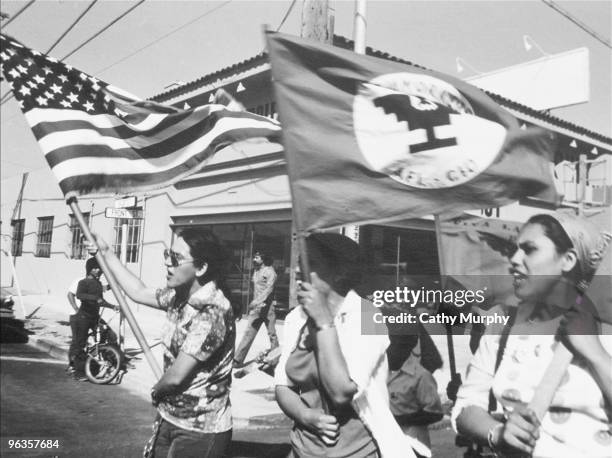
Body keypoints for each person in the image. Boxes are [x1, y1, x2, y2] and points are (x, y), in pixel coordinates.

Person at [452, 211, 612, 457]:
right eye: (516, 249)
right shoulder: (503, 321)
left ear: (568, 260)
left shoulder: (604, 326)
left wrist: (596, 354)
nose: (514, 259)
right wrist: (497, 433)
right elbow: (466, 406)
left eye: (530, 249)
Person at [275, 233, 429, 458]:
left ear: (339, 273)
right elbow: (282, 385)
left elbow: (341, 392)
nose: (298, 270)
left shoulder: (366, 316)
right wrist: (305, 415)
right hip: (302, 450)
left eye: (311, 264)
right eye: (299, 263)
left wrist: (324, 323)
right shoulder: (296, 318)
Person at [88, 229, 236, 458]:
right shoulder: (179, 296)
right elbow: (138, 291)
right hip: (170, 416)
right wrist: (106, 252)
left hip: (200, 429)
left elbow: (176, 377)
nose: (167, 263)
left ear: (201, 267)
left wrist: (157, 391)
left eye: (175, 258)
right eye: (167, 254)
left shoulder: (213, 310)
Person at [68, 257, 119, 381]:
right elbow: (80, 295)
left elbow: (101, 301)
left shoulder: (98, 284)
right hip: (83, 317)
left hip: (94, 317)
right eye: (95, 268)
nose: (98, 270)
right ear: (89, 269)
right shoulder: (83, 282)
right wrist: (93, 298)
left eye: (99, 268)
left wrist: (113, 306)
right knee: (79, 344)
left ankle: (104, 357)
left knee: (109, 334)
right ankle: (79, 373)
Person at [233, 251, 278, 367]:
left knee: (272, 334)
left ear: (263, 258)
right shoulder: (256, 271)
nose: (254, 259)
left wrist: (256, 301)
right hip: (256, 309)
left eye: (257, 257)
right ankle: (237, 360)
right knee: (248, 333)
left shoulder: (270, 272)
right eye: (254, 257)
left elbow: (269, 290)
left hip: (268, 309)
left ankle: (276, 359)